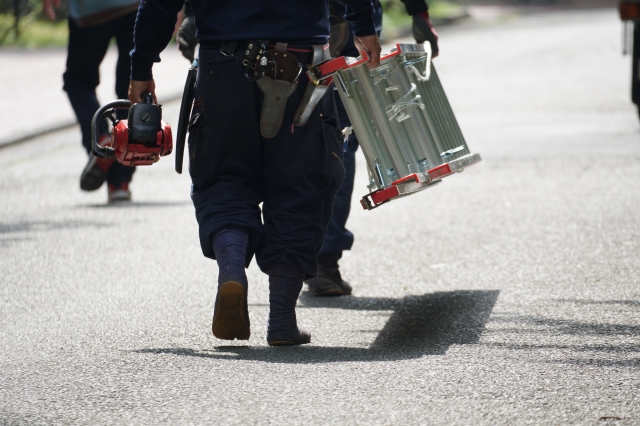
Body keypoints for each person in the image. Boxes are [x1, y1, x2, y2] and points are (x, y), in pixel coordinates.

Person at [129, 0, 382, 345]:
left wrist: (141, 66)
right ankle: (281, 319)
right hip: (302, 61)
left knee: (223, 179)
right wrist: (364, 28)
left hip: (222, 64)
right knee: (301, 186)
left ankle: (232, 270)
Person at [174, 2, 439, 297]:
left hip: (231, 51)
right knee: (320, 159)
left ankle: (233, 267)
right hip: (321, 39)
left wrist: (189, 16)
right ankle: (310, 279)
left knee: (227, 175)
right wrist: (414, 13)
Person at [307, 0, 440, 296]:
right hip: (344, 27)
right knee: (337, 140)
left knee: (292, 139)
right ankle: (321, 261)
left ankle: (251, 249)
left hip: (279, 31)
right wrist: (418, 13)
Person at [44, 0, 138, 203]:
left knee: (78, 81)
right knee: (131, 87)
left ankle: (100, 141)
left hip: (90, 10)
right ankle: (119, 181)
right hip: (134, 6)